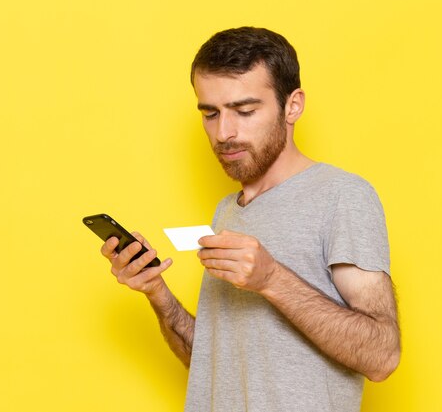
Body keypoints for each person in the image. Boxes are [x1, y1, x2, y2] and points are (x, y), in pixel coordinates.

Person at [99, 27, 400, 412]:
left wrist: (272, 279)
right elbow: (214, 367)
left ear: (292, 106)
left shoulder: (342, 197)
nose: (224, 133)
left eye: (245, 111)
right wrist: (157, 292)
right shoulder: (228, 210)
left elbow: (382, 356)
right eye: (210, 113)